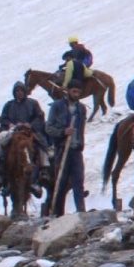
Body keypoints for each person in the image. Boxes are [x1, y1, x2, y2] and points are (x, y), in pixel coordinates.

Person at [0, 82, 49, 182]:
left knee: (41, 143)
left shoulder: (33, 103)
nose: (19, 93)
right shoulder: (9, 105)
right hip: (13, 131)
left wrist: (30, 125)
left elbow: (40, 117)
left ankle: (44, 168)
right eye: (17, 91)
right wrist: (10, 124)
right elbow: (3, 119)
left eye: (21, 90)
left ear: (25, 91)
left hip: (29, 131)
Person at [47, 81, 87, 216]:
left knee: (79, 181)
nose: (76, 94)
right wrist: (63, 132)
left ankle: (81, 212)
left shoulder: (81, 108)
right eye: (74, 91)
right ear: (68, 91)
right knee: (61, 182)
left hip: (75, 149)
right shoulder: (57, 106)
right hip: (62, 149)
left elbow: (81, 129)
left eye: (78, 92)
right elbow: (49, 128)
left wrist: (81, 142)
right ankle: (58, 214)